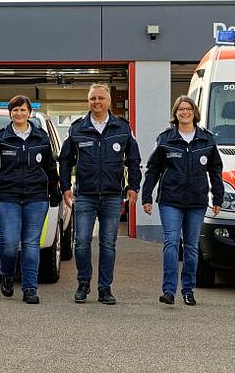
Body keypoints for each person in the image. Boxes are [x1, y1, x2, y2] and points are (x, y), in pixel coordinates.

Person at [59, 83, 141, 305]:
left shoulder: (122, 128)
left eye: (100, 98)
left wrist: (133, 186)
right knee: (82, 242)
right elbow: (65, 160)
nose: (96, 102)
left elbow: (133, 160)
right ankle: (83, 284)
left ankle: (105, 288)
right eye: (92, 98)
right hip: (85, 195)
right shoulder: (77, 128)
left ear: (109, 102)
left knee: (108, 244)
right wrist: (65, 187)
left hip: (113, 196)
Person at [141, 95, 223, 306]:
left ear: (194, 112)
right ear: (175, 114)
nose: (184, 113)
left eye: (188, 109)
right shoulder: (166, 139)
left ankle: (188, 290)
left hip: (196, 201)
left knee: (192, 247)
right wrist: (147, 196)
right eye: (180, 109)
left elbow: (215, 170)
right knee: (170, 243)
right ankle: (168, 291)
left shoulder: (207, 139)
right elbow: (153, 169)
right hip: (170, 200)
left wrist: (218, 197)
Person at [0, 95, 61, 304]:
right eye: (15, 110)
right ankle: (7, 276)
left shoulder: (41, 137)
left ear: (29, 113)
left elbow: (51, 169)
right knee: (9, 243)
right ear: (10, 113)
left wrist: (55, 195)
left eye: (23, 110)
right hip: (6, 199)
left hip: (36, 198)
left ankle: (30, 288)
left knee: (31, 243)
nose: (19, 114)